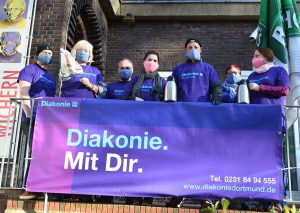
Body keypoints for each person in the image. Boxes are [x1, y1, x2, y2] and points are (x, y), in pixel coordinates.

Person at [248, 47, 289, 213]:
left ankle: (279, 201)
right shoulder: (252, 76)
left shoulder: (278, 71)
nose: (254, 58)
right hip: (256, 125)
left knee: (277, 162)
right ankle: (264, 202)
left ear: (266, 57)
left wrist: (260, 88)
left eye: (257, 55)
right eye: (254, 56)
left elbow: (284, 90)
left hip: (274, 122)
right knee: (259, 163)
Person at [17, 43, 56, 200]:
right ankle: (28, 187)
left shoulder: (51, 77)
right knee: (32, 153)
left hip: (47, 120)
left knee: (43, 154)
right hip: (32, 117)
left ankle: (39, 186)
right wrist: (28, 115)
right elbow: (24, 92)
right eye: (45, 52)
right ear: (37, 54)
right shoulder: (29, 70)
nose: (48, 54)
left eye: (50, 52)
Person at [172, 38, 222, 105]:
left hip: (203, 107)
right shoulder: (178, 69)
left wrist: (217, 96)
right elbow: (172, 90)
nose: (193, 49)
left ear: (200, 50)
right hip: (182, 108)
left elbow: (216, 86)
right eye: (190, 47)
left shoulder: (208, 68)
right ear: (185, 50)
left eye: (195, 47)